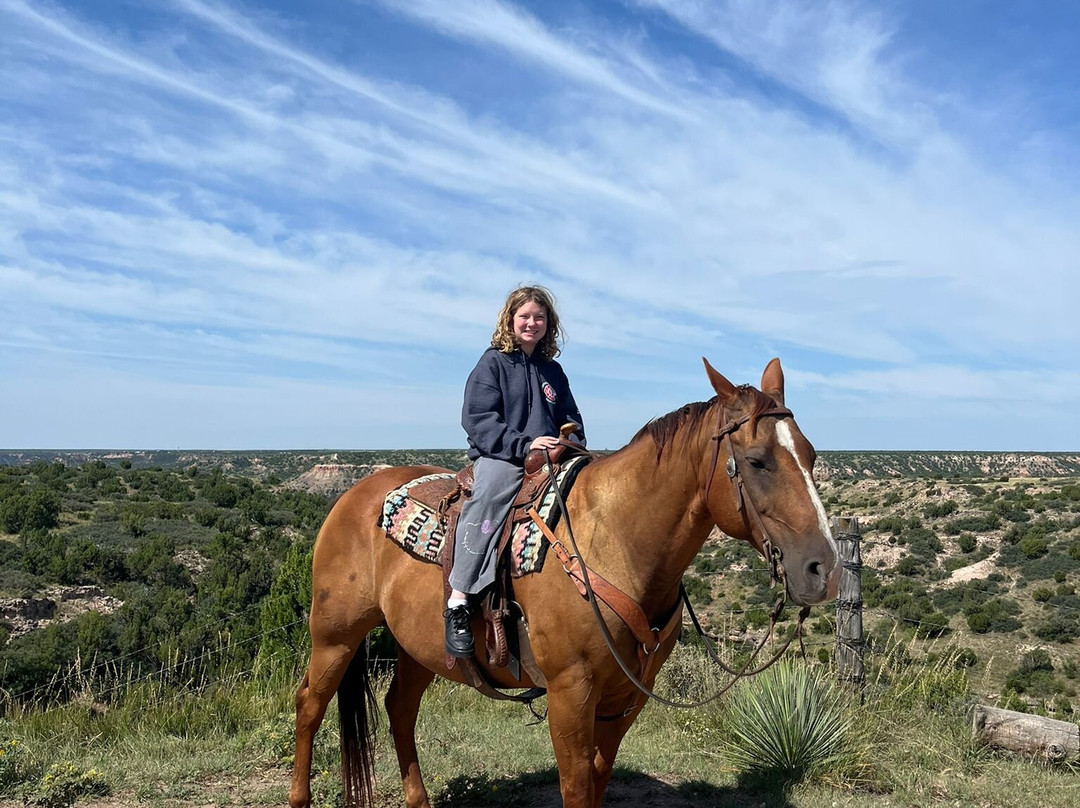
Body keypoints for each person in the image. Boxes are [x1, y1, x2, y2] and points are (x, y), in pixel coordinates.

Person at [445, 285, 585, 658]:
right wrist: (524, 445)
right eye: (524, 316)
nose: (531, 323)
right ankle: (459, 600)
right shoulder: (492, 363)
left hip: (548, 456)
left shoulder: (552, 370)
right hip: (502, 456)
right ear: (510, 319)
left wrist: (568, 442)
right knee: (490, 496)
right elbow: (478, 419)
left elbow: (570, 417)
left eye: (539, 317)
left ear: (548, 324)